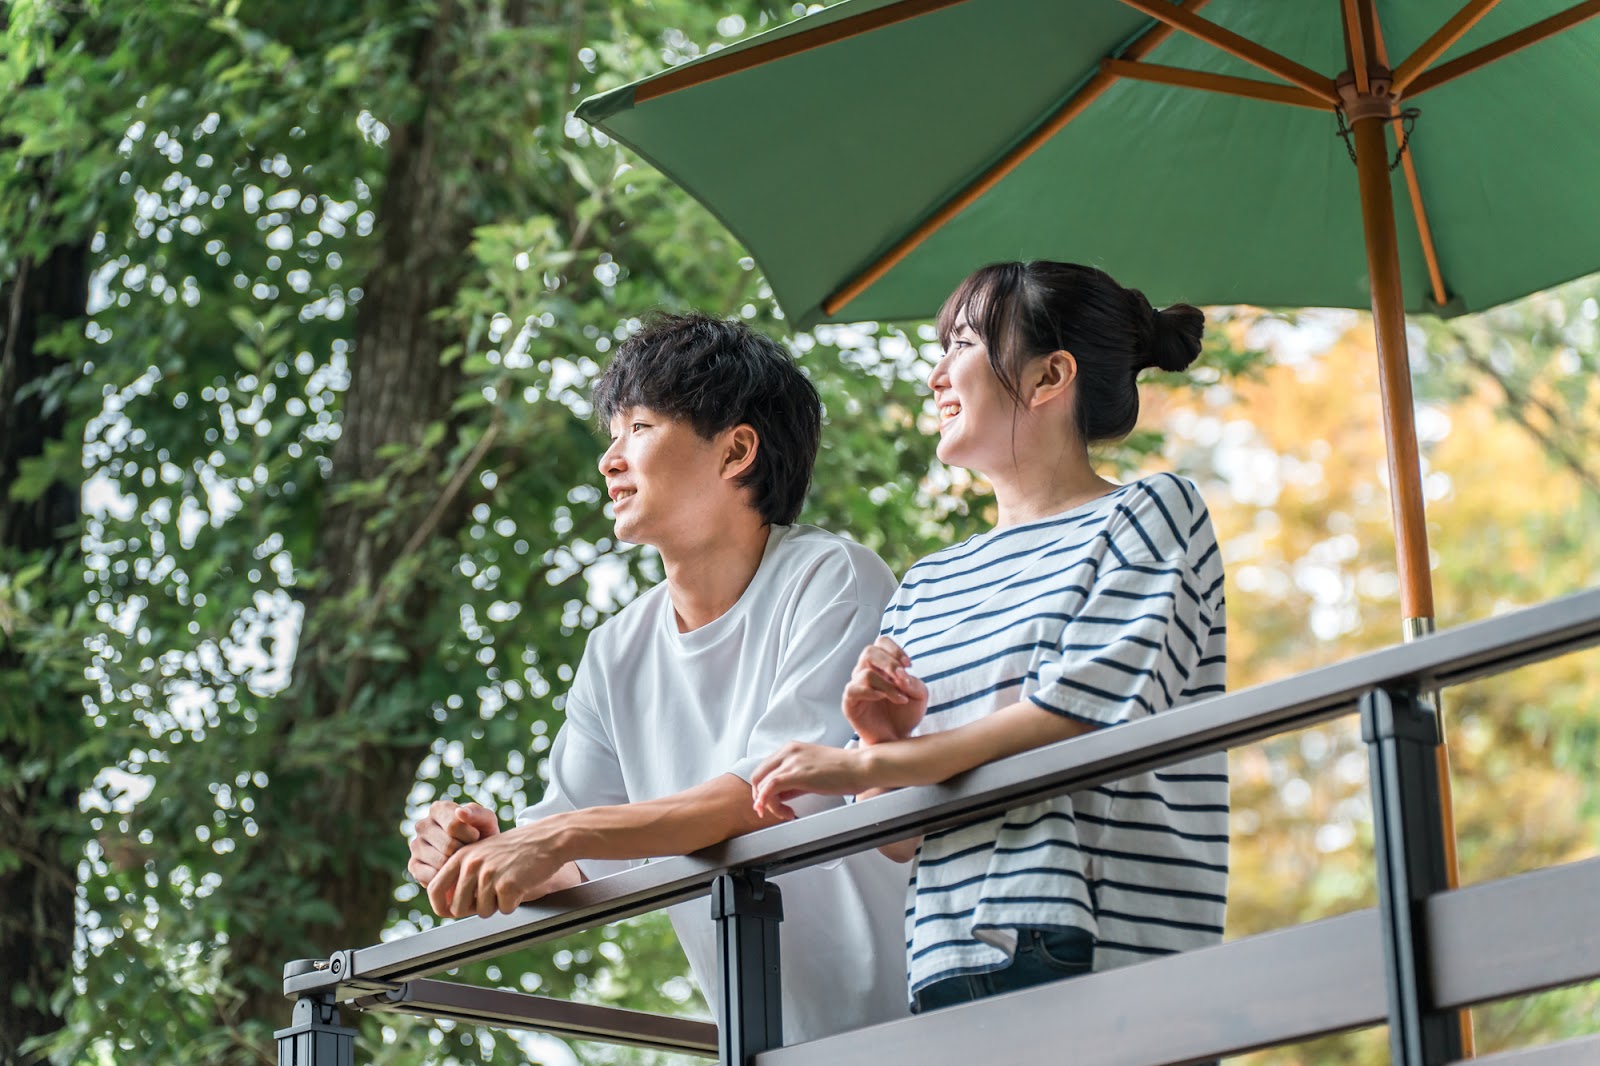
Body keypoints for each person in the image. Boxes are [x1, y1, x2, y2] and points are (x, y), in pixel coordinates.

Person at [406, 312, 911, 1041]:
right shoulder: (616, 651)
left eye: (639, 428)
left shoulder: (833, 578)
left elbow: (767, 797)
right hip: (766, 1042)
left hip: (922, 1018)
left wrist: (557, 837)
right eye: (611, 435)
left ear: (736, 451)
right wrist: (476, 852)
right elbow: (574, 865)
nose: (610, 460)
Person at [750, 260, 1229, 1014]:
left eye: (964, 345)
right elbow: (898, 839)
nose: (936, 375)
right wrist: (879, 741)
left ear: (1049, 377)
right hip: (943, 953)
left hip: (1094, 935)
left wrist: (856, 764)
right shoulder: (928, 583)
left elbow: (1079, 717)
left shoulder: (1148, 511)